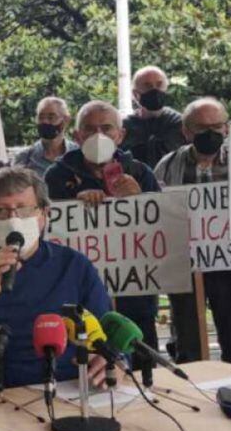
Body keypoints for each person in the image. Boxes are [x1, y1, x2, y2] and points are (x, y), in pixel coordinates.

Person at [0, 167, 112, 392]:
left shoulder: (74, 265)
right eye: (1, 211)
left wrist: (111, 359)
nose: (13, 220)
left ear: (44, 214)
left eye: (23, 209)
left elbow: (109, 332)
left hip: (70, 388)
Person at [45, 100, 162, 350]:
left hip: (135, 289)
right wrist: (74, 206)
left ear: (120, 135)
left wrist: (141, 199)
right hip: (80, 291)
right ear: (77, 135)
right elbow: (46, 226)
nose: (98, 135)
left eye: (107, 128)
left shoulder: (140, 173)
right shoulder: (56, 176)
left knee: (141, 358)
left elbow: (162, 227)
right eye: (89, 128)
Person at [154, 99, 231, 364]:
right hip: (186, 266)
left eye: (217, 126)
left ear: (227, 128)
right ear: (186, 131)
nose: (210, 133)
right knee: (188, 339)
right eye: (201, 127)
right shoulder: (168, 165)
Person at [120, 66, 185, 169]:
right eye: (147, 86)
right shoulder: (124, 127)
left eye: (159, 85)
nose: (155, 90)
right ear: (135, 94)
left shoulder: (180, 124)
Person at [14, 97, 78, 177]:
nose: (45, 121)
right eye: (41, 117)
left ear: (66, 120)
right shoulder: (25, 158)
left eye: (51, 117)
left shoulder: (78, 155)